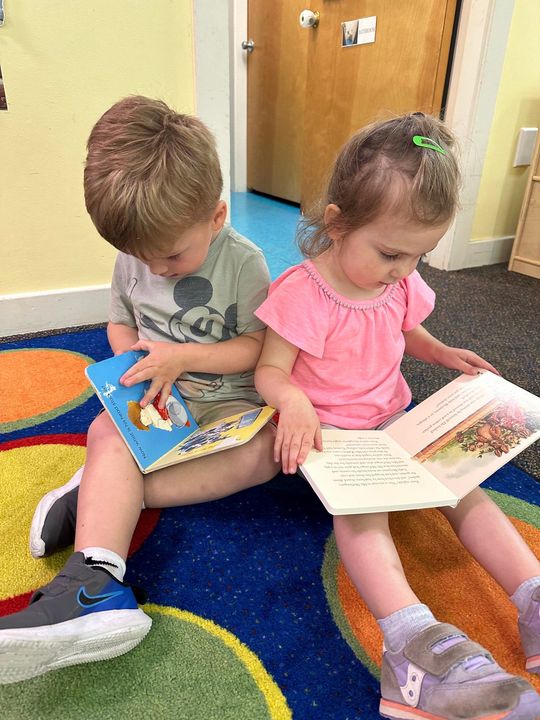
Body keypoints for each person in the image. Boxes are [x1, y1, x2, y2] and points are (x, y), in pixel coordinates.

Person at [254, 113, 540, 719]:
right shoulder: (304, 292)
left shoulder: (399, 284)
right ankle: (411, 642)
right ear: (336, 223)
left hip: (394, 423)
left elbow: (410, 332)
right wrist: (294, 400)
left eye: (419, 255)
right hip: (331, 439)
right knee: (365, 519)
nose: (404, 270)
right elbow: (269, 372)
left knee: (465, 489)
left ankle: (533, 597)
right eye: (390, 253)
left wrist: (441, 352)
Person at [0, 96, 280, 684]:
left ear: (217, 216)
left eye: (172, 254)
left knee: (266, 456)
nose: (157, 268)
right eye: (140, 256)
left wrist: (184, 357)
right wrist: (131, 358)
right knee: (106, 427)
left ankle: (101, 493)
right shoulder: (136, 260)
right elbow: (120, 322)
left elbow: (259, 349)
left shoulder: (246, 264)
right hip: (157, 396)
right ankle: (95, 581)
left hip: (228, 397)